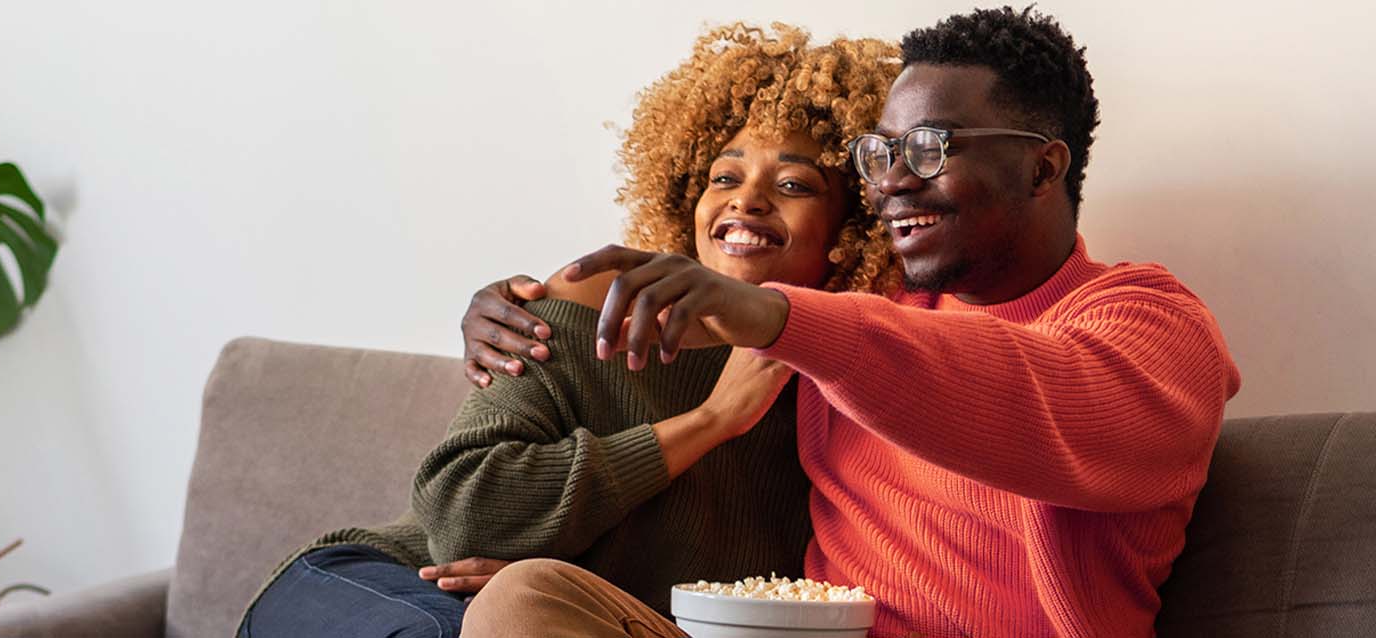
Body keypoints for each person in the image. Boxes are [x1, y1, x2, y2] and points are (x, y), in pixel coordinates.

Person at [458, 8, 1242, 638]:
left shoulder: (1151, 325)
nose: (893, 182)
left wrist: (776, 314)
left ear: (1043, 166)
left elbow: (1031, 392)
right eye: (880, 153)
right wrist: (514, 303)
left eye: (931, 148)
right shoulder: (864, 305)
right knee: (527, 601)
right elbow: (738, 255)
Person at [238, 23, 901, 638]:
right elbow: (461, 517)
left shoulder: (853, 384)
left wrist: (561, 596)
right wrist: (713, 419)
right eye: (723, 176)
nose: (745, 199)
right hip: (386, 587)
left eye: (793, 183)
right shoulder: (582, 316)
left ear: (856, 226)